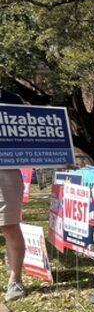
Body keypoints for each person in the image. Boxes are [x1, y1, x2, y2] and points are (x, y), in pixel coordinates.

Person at [0, 88, 27, 301]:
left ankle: (15, 281)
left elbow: (31, 131)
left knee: (8, 225)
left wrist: (58, 152)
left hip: (5, 170)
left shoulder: (10, 99)